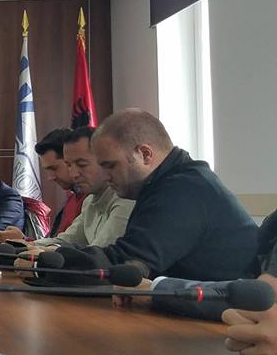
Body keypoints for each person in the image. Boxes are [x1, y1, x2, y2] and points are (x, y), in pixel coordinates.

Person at [69, 109, 258, 281]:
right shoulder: (166, 183)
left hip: (225, 306)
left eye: (110, 166)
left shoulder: (184, 189)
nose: (105, 176)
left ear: (145, 154)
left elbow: (128, 260)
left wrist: (56, 263)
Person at [0, 126, 134, 249]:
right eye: (69, 165)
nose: (74, 174)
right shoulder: (89, 201)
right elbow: (65, 241)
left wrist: (44, 251)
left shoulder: (126, 199)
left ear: (105, 161)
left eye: (82, 165)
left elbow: (100, 253)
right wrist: (24, 245)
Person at [35, 128, 85, 236]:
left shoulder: (90, 198)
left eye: (54, 168)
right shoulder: (72, 198)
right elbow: (56, 240)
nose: (50, 177)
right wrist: (23, 240)